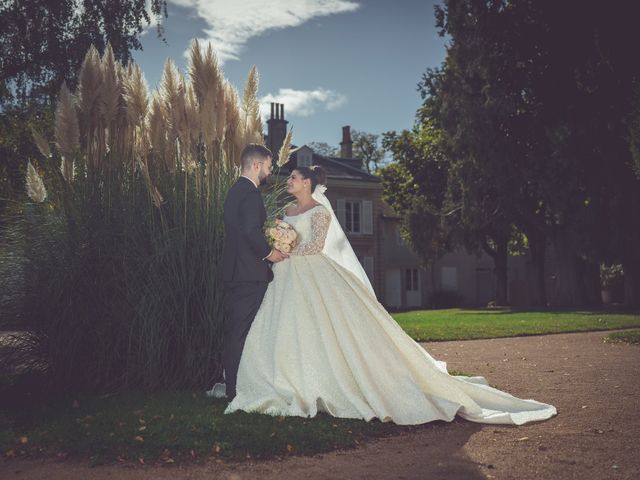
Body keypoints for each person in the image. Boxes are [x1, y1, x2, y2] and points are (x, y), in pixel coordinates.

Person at [225, 164, 556, 425]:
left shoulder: (321, 212)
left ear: (308, 184)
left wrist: (289, 249)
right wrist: (277, 242)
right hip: (284, 275)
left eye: (294, 178)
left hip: (310, 271)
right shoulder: (286, 208)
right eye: (290, 177)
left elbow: (315, 245)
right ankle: (280, 380)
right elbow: (278, 232)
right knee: (281, 327)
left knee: (324, 326)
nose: (289, 181)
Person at [214, 144, 288, 401]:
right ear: (256, 165)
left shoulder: (236, 191)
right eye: (268, 166)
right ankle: (236, 390)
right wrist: (270, 254)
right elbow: (249, 231)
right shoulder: (250, 193)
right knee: (241, 333)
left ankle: (236, 385)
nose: (269, 172)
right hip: (249, 274)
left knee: (238, 330)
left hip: (236, 271)